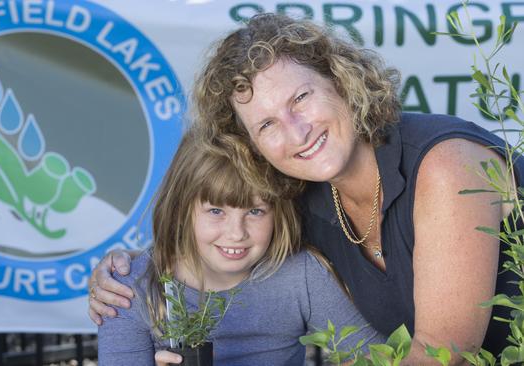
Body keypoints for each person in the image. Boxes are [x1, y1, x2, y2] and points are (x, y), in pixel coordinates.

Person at [89, 14, 523, 364]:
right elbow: (222, 225)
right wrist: (129, 266)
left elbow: (444, 357)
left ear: (341, 81)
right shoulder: (302, 193)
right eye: (266, 124)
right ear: (253, 148)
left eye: (300, 98)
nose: (296, 132)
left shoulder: (444, 168)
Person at [97, 130, 385, 365]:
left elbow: (378, 357)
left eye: (256, 212)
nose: (236, 234)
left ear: (278, 213)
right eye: (215, 211)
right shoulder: (129, 289)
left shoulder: (300, 274)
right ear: (181, 210)